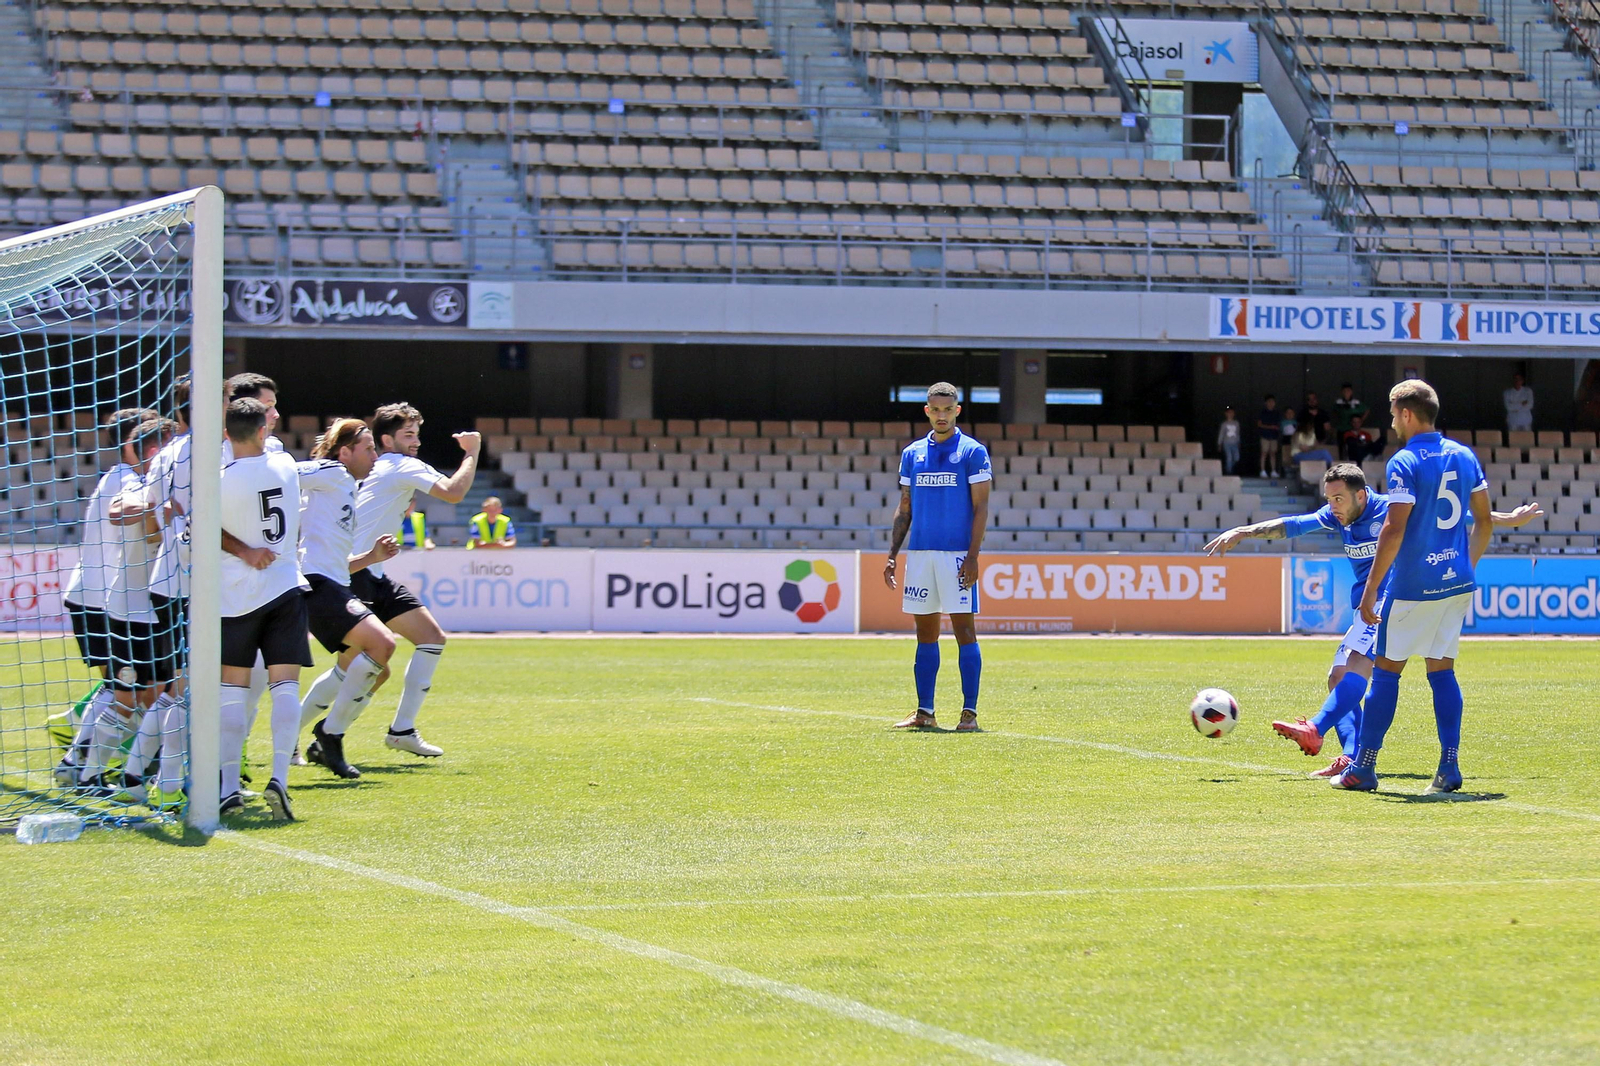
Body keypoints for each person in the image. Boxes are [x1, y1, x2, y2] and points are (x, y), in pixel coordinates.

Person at [1208, 464, 1541, 779]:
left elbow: (1452, 514)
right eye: (1329, 499)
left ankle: (1317, 729)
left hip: (1392, 600)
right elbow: (1294, 525)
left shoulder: (1392, 509)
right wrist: (1243, 531)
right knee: (1337, 677)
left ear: (1361, 495)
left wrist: (1506, 520)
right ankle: (1352, 757)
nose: (1332, 505)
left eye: (1338, 498)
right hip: (1367, 604)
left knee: (1358, 667)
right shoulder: (1336, 517)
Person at [1341, 380, 1492, 794]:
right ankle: (1449, 766)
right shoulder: (1464, 455)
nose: (1391, 423)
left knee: (1387, 672)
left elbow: (1393, 529)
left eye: (1393, 414)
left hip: (1412, 586)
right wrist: (1464, 566)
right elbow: (1486, 521)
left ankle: (1364, 768)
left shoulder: (1403, 461)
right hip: (1456, 583)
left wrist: (1372, 588)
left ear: (1407, 414)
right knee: (1442, 670)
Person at [349, 402, 481, 757]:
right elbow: (454, 493)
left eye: (417, 434)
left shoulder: (377, 467)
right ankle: (315, 738)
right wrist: (472, 453)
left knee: (431, 639)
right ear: (387, 440)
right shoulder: (400, 464)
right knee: (361, 672)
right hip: (353, 573)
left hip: (370, 571)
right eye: (409, 434)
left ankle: (401, 730)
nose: (417, 441)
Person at [55, 407, 158, 787]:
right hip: (102, 599)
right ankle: (86, 765)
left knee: (126, 688)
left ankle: (81, 761)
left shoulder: (121, 477)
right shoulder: (127, 481)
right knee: (131, 690)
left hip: (96, 596)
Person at [218, 398, 311, 820]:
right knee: (285, 686)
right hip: (284, 588)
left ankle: (225, 786)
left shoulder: (220, 480)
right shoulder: (287, 466)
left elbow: (204, 528)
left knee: (233, 690)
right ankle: (279, 776)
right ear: (261, 431)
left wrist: (244, 549)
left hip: (235, 595)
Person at [295, 418, 402, 780]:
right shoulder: (331, 471)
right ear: (345, 452)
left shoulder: (346, 487)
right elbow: (284, 472)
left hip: (333, 581)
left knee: (370, 667)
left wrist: (371, 558)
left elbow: (335, 558)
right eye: (369, 448)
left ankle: (290, 736)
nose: (376, 454)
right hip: (316, 584)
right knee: (382, 643)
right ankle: (329, 734)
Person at [882, 382, 992, 732]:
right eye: (935, 409)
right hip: (921, 556)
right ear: (926, 411)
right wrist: (892, 555)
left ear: (957, 411)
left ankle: (969, 712)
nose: (941, 415)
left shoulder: (973, 452)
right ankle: (925, 712)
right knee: (924, 633)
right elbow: (905, 507)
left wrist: (973, 557)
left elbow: (981, 507)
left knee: (964, 631)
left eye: (948, 409)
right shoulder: (912, 453)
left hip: (957, 555)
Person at [1256, 394, 1282, 479]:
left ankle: (1273, 471)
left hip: (1274, 436)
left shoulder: (1277, 413)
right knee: (1264, 453)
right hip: (1265, 435)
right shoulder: (1263, 412)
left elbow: (1278, 424)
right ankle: (1262, 470)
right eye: (1269, 402)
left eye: (1272, 402)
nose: (1271, 403)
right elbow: (1259, 424)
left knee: (1273, 453)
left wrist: (1276, 428)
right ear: (1266, 403)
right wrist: (1270, 427)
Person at [1216, 407, 1241, 475]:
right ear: (1226, 414)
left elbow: (1238, 433)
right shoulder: (1224, 424)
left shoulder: (1236, 423)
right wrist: (1219, 444)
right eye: (1229, 412)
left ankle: (1228, 467)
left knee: (1236, 458)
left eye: (1232, 412)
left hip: (1235, 443)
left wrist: (1238, 442)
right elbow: (1221, 434)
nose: (1230, 414)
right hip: (1227, 443)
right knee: (1229, 457)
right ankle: (1228, 471)